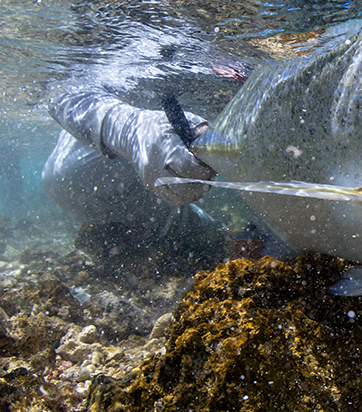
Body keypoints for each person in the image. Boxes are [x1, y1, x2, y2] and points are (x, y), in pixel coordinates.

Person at [42, 88, 227, 276]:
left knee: (213, 238)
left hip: (151, 204)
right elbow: (56, 92)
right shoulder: (76, 171)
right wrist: (130, 128)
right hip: (93, 175)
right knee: (67, 175)